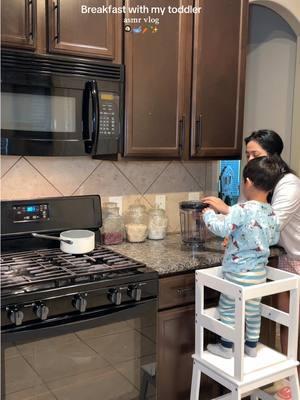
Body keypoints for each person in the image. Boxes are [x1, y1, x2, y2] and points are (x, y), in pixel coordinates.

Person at [202, 156, 281, 359]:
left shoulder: (242, 209)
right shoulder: (271, 212)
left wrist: (208, 215)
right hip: (258, 274)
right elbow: (273, 237)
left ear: (248, 182)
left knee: (228, 308)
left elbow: (221, 228)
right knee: (253, 311)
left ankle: (226, 347)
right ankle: (251, 346)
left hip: (237, 272)